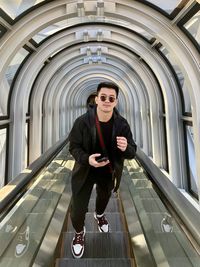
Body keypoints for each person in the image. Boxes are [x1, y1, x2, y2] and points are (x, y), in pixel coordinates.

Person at [69, 82, 137, 258]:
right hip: (85, 169)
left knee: (104, 197)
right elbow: (73, 147)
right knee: (77, 208)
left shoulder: (122, 124)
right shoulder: (82, 122)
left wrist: (126, 148)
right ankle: (78, 233)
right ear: (97, 99)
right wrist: (86, 159)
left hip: (108, 171)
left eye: (111, 98)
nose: (107, 101)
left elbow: (132, 152)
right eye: (103, 97)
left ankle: (99, 215)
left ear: (116, 102)